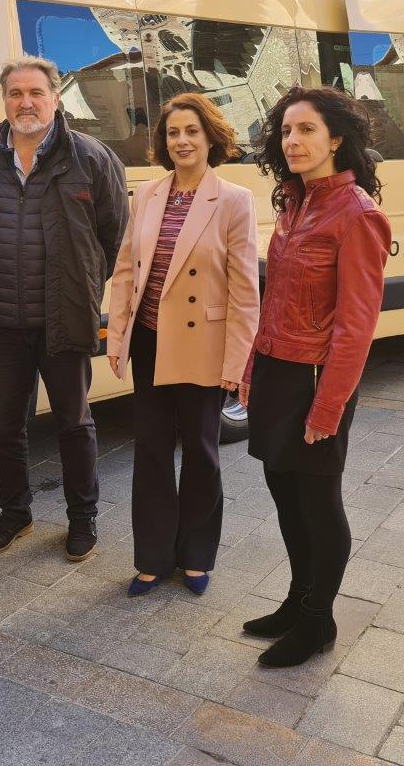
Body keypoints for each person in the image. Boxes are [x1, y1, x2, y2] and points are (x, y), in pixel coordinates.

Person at [0, 56, 128, 562]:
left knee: (74, 423)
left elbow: (115, 237)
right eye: (15, 94)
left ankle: (82, 519)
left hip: (63, 320)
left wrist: (82, 285)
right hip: (1, 322)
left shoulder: (91, 157)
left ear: (55, 97)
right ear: (4, 99)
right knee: (4, 425)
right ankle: (15, 513)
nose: (25, 103)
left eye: (35, 93)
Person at [239, 86, 391, 668]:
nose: (293, 141)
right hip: (278, 370)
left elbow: (356, 326)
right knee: (285, 494)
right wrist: (252, 366)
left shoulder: (357, 215)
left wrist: (328, 407)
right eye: (286, 131)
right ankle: (297, 600)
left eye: (306, 130)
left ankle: (318, 620)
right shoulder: (296, 203)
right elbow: (274, 297)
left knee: (318, 503)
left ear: (336, 139)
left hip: (315, 379)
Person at [105, 93, 258, 598]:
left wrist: (237, 360)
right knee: (150, 450)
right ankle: (153, 558)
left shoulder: (233, 199)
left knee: (201, 451)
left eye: (192, 131)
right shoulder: (147, 195)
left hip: (204, 343)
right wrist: (118, 337)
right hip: (151, 341)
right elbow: (126, 272)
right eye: (173, 133)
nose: (182, 141)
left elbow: (245, 290)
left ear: (211, 138)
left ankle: (195, 557)